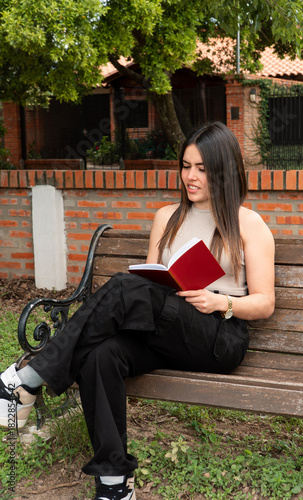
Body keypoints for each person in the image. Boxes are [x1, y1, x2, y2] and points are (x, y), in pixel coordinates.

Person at [0, 122, 275, 500]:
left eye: (202, 169)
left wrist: (221, 301)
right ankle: (114, 482)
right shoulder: (167, 217)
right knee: (101, 355)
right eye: (185, 165)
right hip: (165, 328)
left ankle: (30, 376)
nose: (190, 177)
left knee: (128, 286)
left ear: (224, 171)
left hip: (218, 335)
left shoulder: (248, 224)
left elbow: (265, 303)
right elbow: (151, 284)